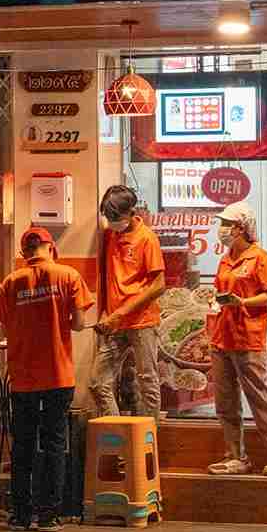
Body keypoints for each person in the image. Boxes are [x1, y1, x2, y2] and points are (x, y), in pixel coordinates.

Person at [0, 226, 94, 532]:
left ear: (25, 252)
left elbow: (2, 330)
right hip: (57, 375)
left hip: (23, 376)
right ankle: (49, 515)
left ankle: (20, 515)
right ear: (50, 247)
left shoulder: (11, 282)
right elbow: (78, 324)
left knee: (22, 444)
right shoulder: (68, 276)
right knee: (53, 444)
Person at [205, 203, 267, 477]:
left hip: (249, 337)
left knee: (259, 399)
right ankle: (235, 456)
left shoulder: (260, 258)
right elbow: (221, 290)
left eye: (227, 224)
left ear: (241, 228)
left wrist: (242, 301)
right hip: (222, 336)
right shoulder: (226, 258)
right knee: (225, 401)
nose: (222, 230)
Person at [88, 185, 165, 436]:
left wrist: (121, 313)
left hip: (142, 322)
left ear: (131, 212)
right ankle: (120, 436)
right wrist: (107, 313)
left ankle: (147, 440)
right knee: (98, 382)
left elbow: (158, 285)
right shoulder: (111, 235)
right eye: (108, 218)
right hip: (115, 322)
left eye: (116, 218)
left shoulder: (147, 238)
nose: (111, 223)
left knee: (147, 383)